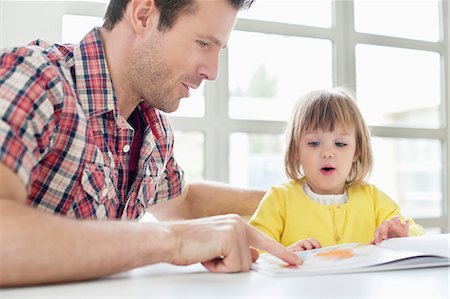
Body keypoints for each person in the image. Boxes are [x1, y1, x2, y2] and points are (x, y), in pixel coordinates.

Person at [0, 0, 302, 287]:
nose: (212, 72)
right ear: (144, 15)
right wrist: (173, 240)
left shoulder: (154, 131)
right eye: (203, 44)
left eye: (218, 49)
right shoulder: (34, 79)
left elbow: (183, 202)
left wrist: (295, 199)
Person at [249, 88, 425, 252]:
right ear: (296, 149)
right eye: (314, 143)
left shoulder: (373, 198)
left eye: (340, 144)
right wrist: (283, 255)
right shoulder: (279, 199)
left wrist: (402, 235)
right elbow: (251, 251)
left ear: (357, 151)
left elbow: (418, 234)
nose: (327, 153)